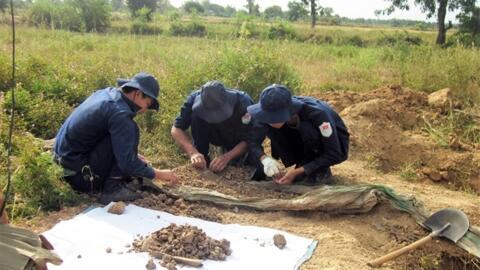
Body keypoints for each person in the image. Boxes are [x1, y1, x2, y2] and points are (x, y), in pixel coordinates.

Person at [53, 72, 178, 204]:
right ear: (138, 93)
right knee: (130, 131)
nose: (144, 111)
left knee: (125, 142)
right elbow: (128, 164)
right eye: (147, 104)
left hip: (61, 164)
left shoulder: (106, 93)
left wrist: (129, 152)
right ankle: (111, 190)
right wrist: (158, 174)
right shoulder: (121, 114)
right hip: (78, 177)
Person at [247, 84, 349, 185]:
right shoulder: (264, 115)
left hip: (333, 146)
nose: (270, 120)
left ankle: (319, 168)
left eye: (274, 116)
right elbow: (252, 141)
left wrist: (298, 171)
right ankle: (302, 162)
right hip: (301, 143)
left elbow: (334, 153)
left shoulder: (317, 114)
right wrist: (264, 159)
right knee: (274, 129)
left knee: (307, 130)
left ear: (289, 109)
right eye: (268, 116)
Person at [171, 80, 264, 179]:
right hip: (207, 138)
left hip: (238, 140)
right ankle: (203, 158)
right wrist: (193, 152)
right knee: (195, 115)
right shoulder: (193, 99)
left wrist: (228, 156)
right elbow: (176, 129)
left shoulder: (243, 101)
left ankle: (237, 159)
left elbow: (253, 137)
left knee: (259, 171)